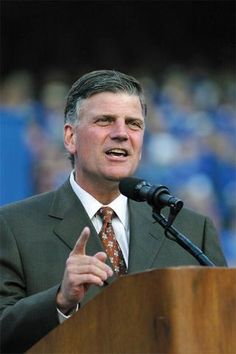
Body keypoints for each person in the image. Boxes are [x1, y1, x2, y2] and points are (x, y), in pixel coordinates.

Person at [0, 70, 227, 354]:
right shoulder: (12, 226)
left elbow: (223, 327)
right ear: (70, 137)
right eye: (104, 120)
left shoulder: (192, 231)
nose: (121, 133)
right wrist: (59, 300)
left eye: (133, 124)